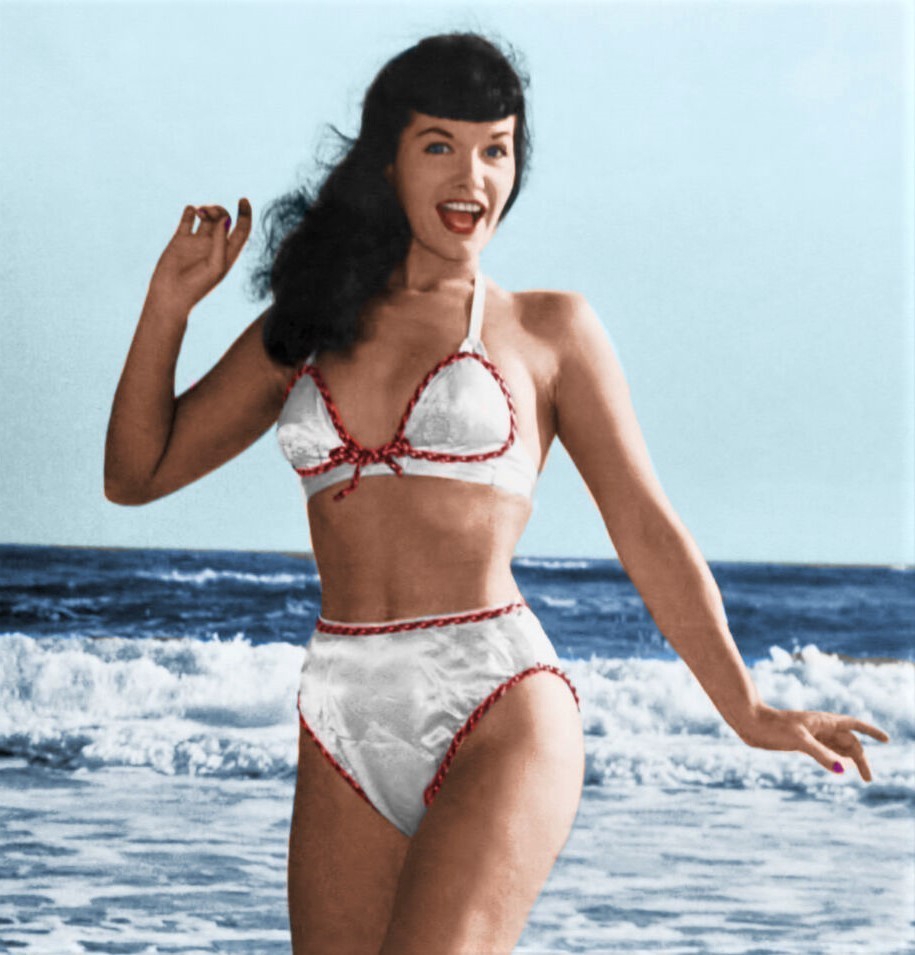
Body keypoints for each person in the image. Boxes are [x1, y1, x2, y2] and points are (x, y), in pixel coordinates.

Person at [104, 31, 890, 955]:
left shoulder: (546, 329)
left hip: (497, 698)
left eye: (496, 149)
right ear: (388, 159)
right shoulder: (306, 328)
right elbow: (136, 475)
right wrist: (168, 306)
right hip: (342, 707)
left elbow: (643, 525)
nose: (471, 176)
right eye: (439, 144)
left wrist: (746, 708)